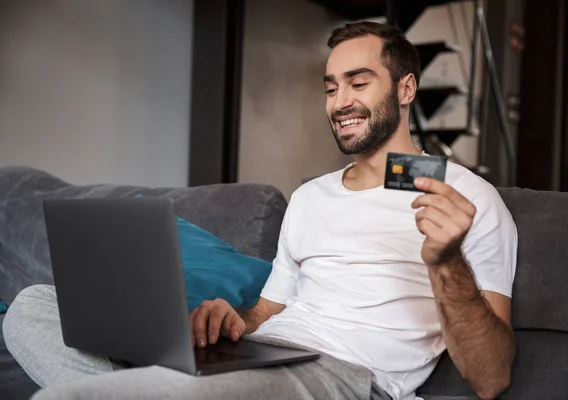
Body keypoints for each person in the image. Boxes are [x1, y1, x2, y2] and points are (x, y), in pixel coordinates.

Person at [3, 21, 517, 400]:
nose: (341, 102)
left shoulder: (465, 199)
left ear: (406, 89)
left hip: (345, 375)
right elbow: (270, 310)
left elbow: (490, 378)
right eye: (331, 87)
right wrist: (236, 322)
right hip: (266, 352)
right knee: (33, 307)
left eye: (359, 83)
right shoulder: (311, 197)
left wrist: (447, 260)